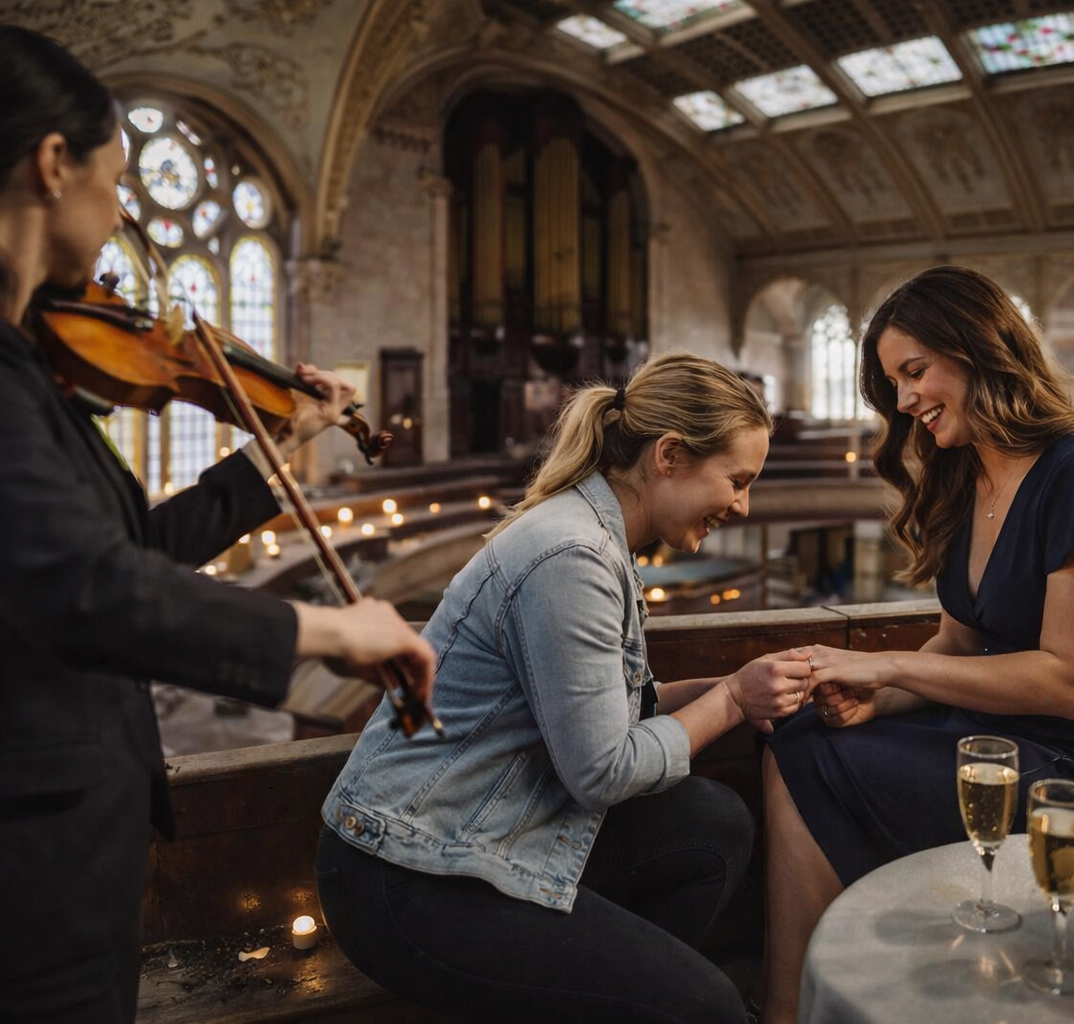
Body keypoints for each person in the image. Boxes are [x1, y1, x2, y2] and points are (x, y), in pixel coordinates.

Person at [0, 25, 434, 1023]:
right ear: (51, 163)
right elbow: (77, 588)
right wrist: (327, 630)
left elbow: (127, 555)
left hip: (47, 856)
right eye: (114, 184)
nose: (118, 215)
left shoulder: (5, 355)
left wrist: (281, 446)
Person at [316, 354, 814, 1024]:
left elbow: (609, 714)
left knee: (713, 824)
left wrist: (731, 685)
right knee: (709, 1008)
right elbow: (602, 770)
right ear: (669, 455)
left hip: (485, 827)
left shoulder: (596, 535)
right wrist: (730, 703)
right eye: (737, 480)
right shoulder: (570, 556)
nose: (743, 504)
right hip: (409, 871)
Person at [758, 266, 1074, 1023]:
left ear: (979, 348)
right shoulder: (965, 478)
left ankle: (801, 1005)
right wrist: (874, 697)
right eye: (893, 383)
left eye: (915, 372)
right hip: (999, 735)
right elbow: (958, 640)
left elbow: (1068, 682)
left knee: (806, 760)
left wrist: (886, 663)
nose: (904, 401)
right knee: (800, 733)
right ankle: (808, 996)